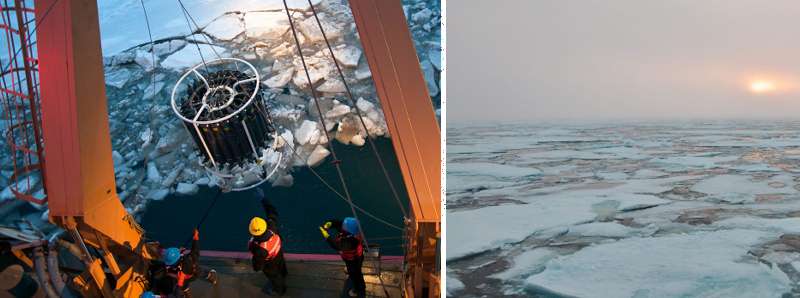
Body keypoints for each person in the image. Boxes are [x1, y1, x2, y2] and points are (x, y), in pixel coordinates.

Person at [247, 188, 288, 296]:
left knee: (274, 276)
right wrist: (263, 199)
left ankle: (280, 290)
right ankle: (284, 274)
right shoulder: (272, 226)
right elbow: (272, 211)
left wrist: (256, 265)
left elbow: (257, 267)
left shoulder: (260, 249)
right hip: (278, 253)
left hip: (270, 263)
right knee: (281, 266)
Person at [319, 217, 366, 297]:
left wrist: (327, 236)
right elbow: (339, 223)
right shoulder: (352, 231)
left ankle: (358, 289)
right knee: (356, 271)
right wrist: (331, 223)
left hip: (353, 260)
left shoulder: (349, 243)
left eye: (344, 226)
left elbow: (335, 245)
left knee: (355, 274)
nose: (342, 226)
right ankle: (357, 280)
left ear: (348, 231)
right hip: (356, 256)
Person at [163, 229, 217, 297]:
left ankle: (188, 295)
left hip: (186, 279)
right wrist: (195, 237)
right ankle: (213, 279)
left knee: (184, 286)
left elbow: (179, 285)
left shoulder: (173, 268)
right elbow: (195, 249)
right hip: (196, 272)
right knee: (204, 274)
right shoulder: (190, 257)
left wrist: (177, 293)